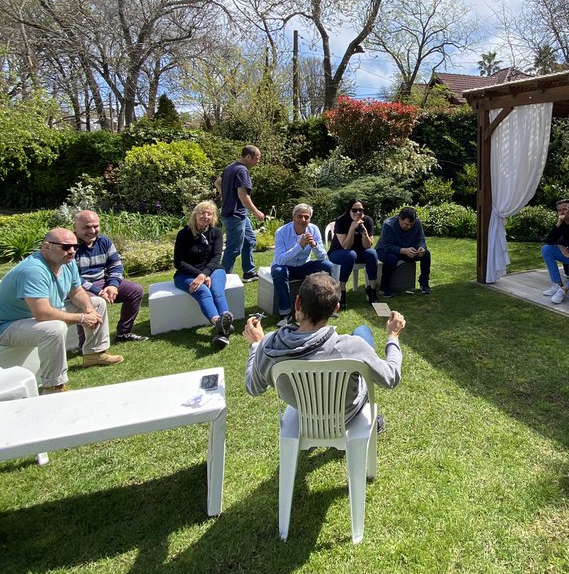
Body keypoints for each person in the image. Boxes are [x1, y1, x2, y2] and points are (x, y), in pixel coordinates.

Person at [243, 273, 403, 431]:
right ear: (336, 308)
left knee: (362, 334)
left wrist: (256, 345)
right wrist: (393, 337)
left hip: (305, 413)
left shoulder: (269, 345)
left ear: (298, 302)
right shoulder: (351, 347)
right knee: (362, 332)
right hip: (347, 417)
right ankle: (369, 421)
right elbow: (390, 378)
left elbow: (253, 388)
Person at [0, 227, 123, 393]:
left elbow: (77, 291)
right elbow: (42, 314)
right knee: (54, 329)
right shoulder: (33, 270)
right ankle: (53, 386)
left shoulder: (67, 263)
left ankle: (95, 354)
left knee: (97, 303)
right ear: (46, 246)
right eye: (65, 247)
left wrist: (88, 310)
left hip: (37, 315)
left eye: (75, 246)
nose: (72, 251)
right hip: (6, 326)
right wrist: (81, 318)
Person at [72, 209, 148, 344]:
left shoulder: (104, 241)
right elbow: (72, 278)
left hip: (103, 281)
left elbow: (116, 265)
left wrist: (112, 285)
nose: (92, 231)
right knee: (92, 301)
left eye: (95, 226)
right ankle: (86, 343)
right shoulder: (70, 246)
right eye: (86, 227)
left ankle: (123, 333)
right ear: (75, 227)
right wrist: (98, 291)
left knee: (135, 290)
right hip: (78, 288)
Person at [173, 200, 234, 348]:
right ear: (195, 215)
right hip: (186, 273)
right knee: (202, 290)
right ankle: (219, 323)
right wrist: (199, 275)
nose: (206, 216)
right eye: (202, 213)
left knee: (217, 291)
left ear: (213, 217)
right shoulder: (184, 234)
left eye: (209, 214)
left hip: (213, 270)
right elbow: (178, 262)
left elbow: (216, 257)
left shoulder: (216, 233)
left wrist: (205, 274)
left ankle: (223, 326)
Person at [271, 203, 334, 327]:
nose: (303, 220)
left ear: (310, 219)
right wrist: (300, 246)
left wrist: (314, 245)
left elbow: (322, 256)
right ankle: (285, 313)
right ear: (293, 217)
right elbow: (280, 259)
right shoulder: (282, 232)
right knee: (278, 272)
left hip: (304, 265)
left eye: (306, 217)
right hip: (285, 266)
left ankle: (326, 305)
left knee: (327, 266)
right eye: (299, 216)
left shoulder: (313, 229)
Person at [214, 144, 265, 283]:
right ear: (248, 156)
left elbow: (217, 182)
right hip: (235, 215)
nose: (258, 162)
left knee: (249, 240)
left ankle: (248, 272)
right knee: (234, 248)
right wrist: (256, 212)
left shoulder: (230, 167)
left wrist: (225, 196)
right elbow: (243, 195)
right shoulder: (242, 171)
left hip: (236, 214)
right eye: (257, 158)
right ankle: (221, 279)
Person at [328, 199, 380, 307]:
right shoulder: (341, 220)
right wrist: (352, 228)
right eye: (354, 210)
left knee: (372, 254)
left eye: (360, 210)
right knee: (351, 254)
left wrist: (365, 233)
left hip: (360, 252)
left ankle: (371, 289)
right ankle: (341, 290)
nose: (357, 213)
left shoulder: (368, 221)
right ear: (349, 210)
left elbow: (367, 246)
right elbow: (346, 246)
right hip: (338, 252)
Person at [375, 206, 432, 297]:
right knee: (391, 258)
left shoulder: (417, 223)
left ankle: (424, 283)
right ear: (399, 218)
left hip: (408, 249)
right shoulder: (388, 224)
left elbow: (421, 239)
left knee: (426, 254)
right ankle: (384, 287)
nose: (409, 227)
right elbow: (387, 246)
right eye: (406, 224)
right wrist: (404, 251)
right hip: (386, 251)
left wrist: (422, 248)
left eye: (411, 225)